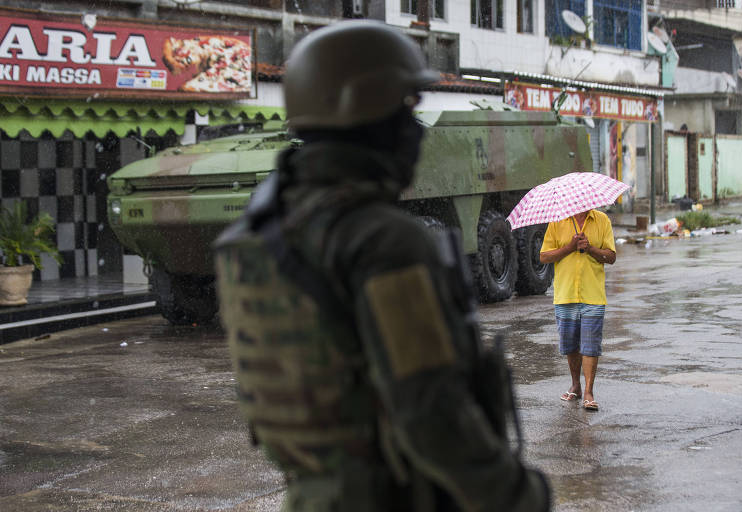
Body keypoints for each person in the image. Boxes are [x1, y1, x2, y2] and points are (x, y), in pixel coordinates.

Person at [214, 20, 550, 512]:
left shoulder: (262, 229)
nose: (414, 128)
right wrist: (518, 495)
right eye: (407, 108)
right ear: (367, 111)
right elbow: (429, 412)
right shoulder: (379, 240)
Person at [539, 209, 616, 412]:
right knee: (570, 344)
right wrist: (570, 247)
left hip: (593, 294)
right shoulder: (557, 221)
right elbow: (544, 256)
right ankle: (576, 385)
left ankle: (589, 392)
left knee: (591, 344)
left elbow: (611, 256)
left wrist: (589, 248)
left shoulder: (602, 220)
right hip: (565, 294)